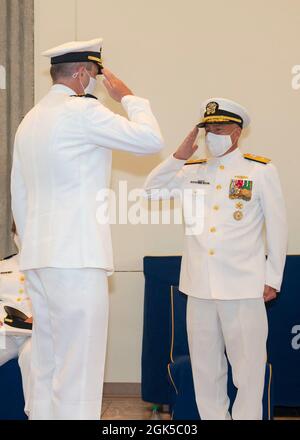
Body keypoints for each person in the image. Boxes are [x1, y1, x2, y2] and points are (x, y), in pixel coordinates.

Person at [11, 38, 164, 420]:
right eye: (96, 75)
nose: (97, 83)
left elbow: (19, 195)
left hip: (39, 259)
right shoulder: (82, 112)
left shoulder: (30, 119)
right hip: (77, 257)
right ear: (82, 74)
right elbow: (151, 140)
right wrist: (129, 97)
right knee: (80, 366)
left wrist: (33, 249)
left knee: (46, 361)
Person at [144, 98, 288, 420]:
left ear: (236, 133)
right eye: (208, 129)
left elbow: (278, 228)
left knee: (248, 372)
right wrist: (179, 155)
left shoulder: (259, 170)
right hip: (199, 287)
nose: (212, 136)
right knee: (205, 370)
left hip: (243, 286)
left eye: (219, 129)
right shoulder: (190, 171)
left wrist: (273, 277)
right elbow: (150, 191)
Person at [0, 230, 32, 417]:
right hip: (6, 332)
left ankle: (34, 414)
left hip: (36, 333)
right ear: (13, 234)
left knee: (32, 358)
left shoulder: (49, 270)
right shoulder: (3, 266)